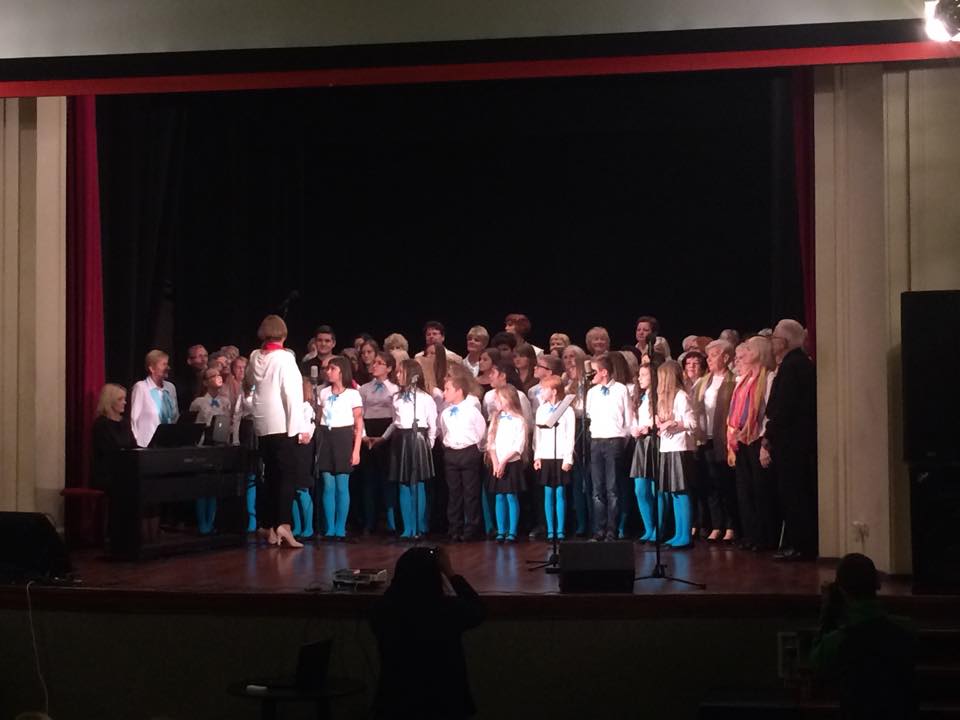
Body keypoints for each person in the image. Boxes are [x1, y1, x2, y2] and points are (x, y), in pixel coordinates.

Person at [370, 546, 485, 720]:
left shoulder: (382, 611)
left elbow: (391, 596)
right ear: (435, 575)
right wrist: (450, 573)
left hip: (395, 703)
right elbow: (478, 610)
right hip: (446, 703)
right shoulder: (447, 611)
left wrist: (401, 578)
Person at [810, 553, 917, 719]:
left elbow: (816, 664)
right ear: (878, 583)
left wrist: (827, 612)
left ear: (841, 589)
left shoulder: (836, 641)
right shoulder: (907, 629)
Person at [245, 315, 310, 549]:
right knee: (287, 477)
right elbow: (292, 394)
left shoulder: (255, 356)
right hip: (282, 423)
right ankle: (284, 523)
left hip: (263, 424)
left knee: (271, 476)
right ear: (283, 334)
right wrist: (299, 427)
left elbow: (249, 382)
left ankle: (269, 525)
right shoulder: (285, 358)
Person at [765, 318, 818, 562]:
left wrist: (769, 433)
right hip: (794, 440)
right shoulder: (796, 363)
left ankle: (800, 545)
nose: (772, 342)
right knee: (794, 493)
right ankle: (799, 543)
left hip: (792, 441)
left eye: (774, 337)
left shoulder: (793, 366)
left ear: (784, 342)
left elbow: (784, 406)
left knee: (794, 493)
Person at [385, 359, 438, 539]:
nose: (397, 375)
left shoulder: (424, 398)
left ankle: (418, 525)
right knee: (403, 484)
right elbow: (395, 422)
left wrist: (429, 444)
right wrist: (383, 438)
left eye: (401, 372)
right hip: (401, 439)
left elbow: (433, 424)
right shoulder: (396, 397)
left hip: (417, 439)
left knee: (417, 484)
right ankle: (407, 527)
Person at [692, 340, 738, 543]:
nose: (709, 359)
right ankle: (716, 525)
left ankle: (731, 525)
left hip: (724, 439)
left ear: (726, 358)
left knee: (725, 484)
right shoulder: (703, 382)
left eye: (713, 355)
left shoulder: (733, 381)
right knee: (709, 484)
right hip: (706, 439)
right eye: (708, 356)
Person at [585, 354, 633, 541]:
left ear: (604, 372)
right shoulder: (592, 392)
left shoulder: (621, 389)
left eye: (594, 371)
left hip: (614, 441)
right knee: (597, 488)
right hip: (596, 441)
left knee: (612, 488)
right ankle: (599, 529)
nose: (591, 375)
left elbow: (628, 418)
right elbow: (589, 415)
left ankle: (612, 529)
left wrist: (623, 438)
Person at [316, 356, 364, 541]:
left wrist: (356, 450)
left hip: (343, 438)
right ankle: (329, 528)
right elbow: (318, 418)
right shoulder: (323, 393)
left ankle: (340, 527)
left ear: (342, 372)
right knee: (328, 485)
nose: (328, 372)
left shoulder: (352, 394)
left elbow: (358, 424)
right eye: (328, 369)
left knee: (342, 486)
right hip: (326, 437)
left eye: (332, 369)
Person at [655, 360, 698, 549]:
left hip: (680, 449)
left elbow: (692, 423)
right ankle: (678, 533)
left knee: (681, 491)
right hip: (667, 448)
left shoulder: (681, 396)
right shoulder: (664, 400)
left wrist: (673, 424)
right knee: (673, 493)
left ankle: (685, 535)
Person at [439, 375, 487, 542]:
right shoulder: (445, 413)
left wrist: (476, 450)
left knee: (470, 492)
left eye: (447, 389)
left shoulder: (472, 411)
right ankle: (455, 527)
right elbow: (444, 432)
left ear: (459, 391)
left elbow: (481, 432)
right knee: (454, 493)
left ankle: (471, 527)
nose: (444, 393)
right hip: (451, 454)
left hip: (469, 453)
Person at [91, 384, 138, 540]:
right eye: (120, 399)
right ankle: (116, 536)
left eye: (124, 399)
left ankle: (132, 534)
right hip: (107, 473)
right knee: (125, 486)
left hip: (123, 471)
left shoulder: (124, 423)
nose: (125, 402)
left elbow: (132, 445)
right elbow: (107, 452)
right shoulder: (101, 424)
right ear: (109, 401)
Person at [359, 352, 399, 534]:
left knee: (387, 479)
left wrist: (384, 438)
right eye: (374, 362)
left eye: (380, 363)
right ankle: (369, 522)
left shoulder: (394, 389)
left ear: (389, 368)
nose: (374, 365)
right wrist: (364, 436)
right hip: (368, 433)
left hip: (386, 434)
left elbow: (396, 418)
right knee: (369, 481)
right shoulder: (364, 389)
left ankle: (391, 523)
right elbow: (359, 415)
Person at [189, 366, 231, 534]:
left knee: (214, 486)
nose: (217, 377)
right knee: (202, 486)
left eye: (218, 375)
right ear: (205, 382)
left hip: (218, 445)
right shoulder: (198, 402)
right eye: (212, 376)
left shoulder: (225, 401)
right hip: (202, 445)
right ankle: (202, 524)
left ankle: (211, 523)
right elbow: (192, 425)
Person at [532, 376, 574, 541]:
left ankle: (560, 529)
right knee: (548, 493)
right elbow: (538, 435)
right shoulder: (541, 410)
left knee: (560, 493)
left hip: (561, 456)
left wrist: (568, 459)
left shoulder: (567, 410)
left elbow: (569, 436)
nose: (541, 392)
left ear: (554, 391)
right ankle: (550, 530)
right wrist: (537, 456)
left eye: (544, 389)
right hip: (546, 455)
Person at [486, 385, 527, 543]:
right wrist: (495, 462)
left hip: (511, 463)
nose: (495, 401)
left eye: (498, 398)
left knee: (510, 495)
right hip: (497, 463)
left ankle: (512, 531)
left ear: (508, 399)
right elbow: (491, 443)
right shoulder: (496, 419)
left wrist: (504, 461)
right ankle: (501, 530)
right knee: (499, 496)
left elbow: (518, 446)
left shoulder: (519, 420)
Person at [629, 363, 658, 543]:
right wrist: (634, 429)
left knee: (655, 489)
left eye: (644, 375)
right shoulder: (639, 397)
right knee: (640, 489)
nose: (640, 378)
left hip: (654, 442)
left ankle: (658, 528)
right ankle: (648, 528)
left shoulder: (659, 397)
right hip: (640, 444)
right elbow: (633, 419)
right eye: (639, 375)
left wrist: (650, 427)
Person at [130, 349, 179, 448]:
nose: (168, 367)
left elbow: (175, 417)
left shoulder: (170, 388)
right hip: (146, 444)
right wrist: (136, 444)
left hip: (168, 444)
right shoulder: (141, 387)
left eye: (167, 364)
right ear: (152, 368)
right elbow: (134, 418)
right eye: (164, 364)